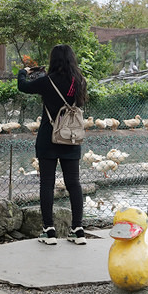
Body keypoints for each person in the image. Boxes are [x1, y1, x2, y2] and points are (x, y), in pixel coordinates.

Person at [17, 44, 88, 245]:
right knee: (74, 183)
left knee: (46, 184)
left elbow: (22, 86)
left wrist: (24, 72)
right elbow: (79, 104)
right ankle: (78, 230)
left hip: (49, 137)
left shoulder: (46, 81)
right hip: (71, 137)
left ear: (53, 60)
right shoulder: (80, 81)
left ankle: (49, 231)